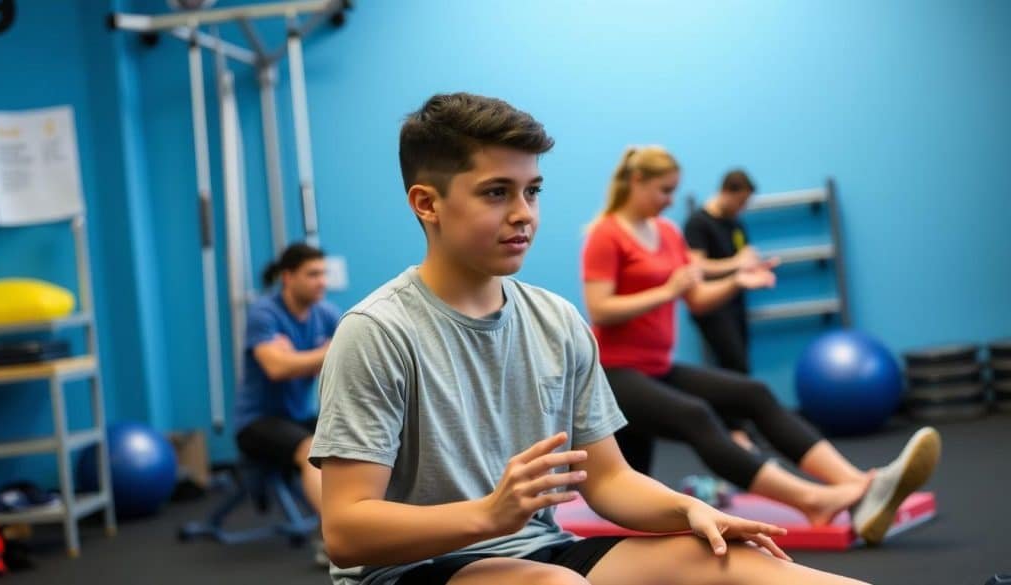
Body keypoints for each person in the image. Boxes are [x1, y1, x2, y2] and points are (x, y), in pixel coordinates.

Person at [309, 93, 868, 585]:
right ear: (427, 203)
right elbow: (347, 531)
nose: (523, 214)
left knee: (743, 564)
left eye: (532, 191)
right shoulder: (377, 332)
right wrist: (488, 515)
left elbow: (610, 480)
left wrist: (687, 511)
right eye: (496, 193)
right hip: (411, 570)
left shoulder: (556, 320)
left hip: (541, 551)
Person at [580, 145, 940, 546]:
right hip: (612, 374)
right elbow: (601, 309)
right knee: (696, 415)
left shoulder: (667, 232)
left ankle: (860, 484)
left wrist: (736, 281)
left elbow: (696, 299)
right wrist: (666, 291)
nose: (669, 200)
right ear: (636, 181)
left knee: (754, 393)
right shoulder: (605, 234)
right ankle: (813, 501)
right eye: (664, 190)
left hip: (658, 367)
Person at [234, 243, 340, 529]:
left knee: (358, 439)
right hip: (256, 422)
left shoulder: (326, 313)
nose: (322, 282)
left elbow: (348, 360)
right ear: (288, 277)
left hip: (298, 417)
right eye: (313, 274)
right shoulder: (264, 313)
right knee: (312, 449)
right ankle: (340, 537)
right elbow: (277, 368)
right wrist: (326, 352)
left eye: (324, 274)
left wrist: (297, 358)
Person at [683, 169, 763, 375]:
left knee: (741, 366)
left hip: (735, 302)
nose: (742, 207)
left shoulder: (736, 223)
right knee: (735, 366)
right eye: (740, 201)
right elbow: (697, 265)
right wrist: (736, 263)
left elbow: (743, 256)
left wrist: (754, 265)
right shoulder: (698, 223)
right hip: (713, 305)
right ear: (726, 192)